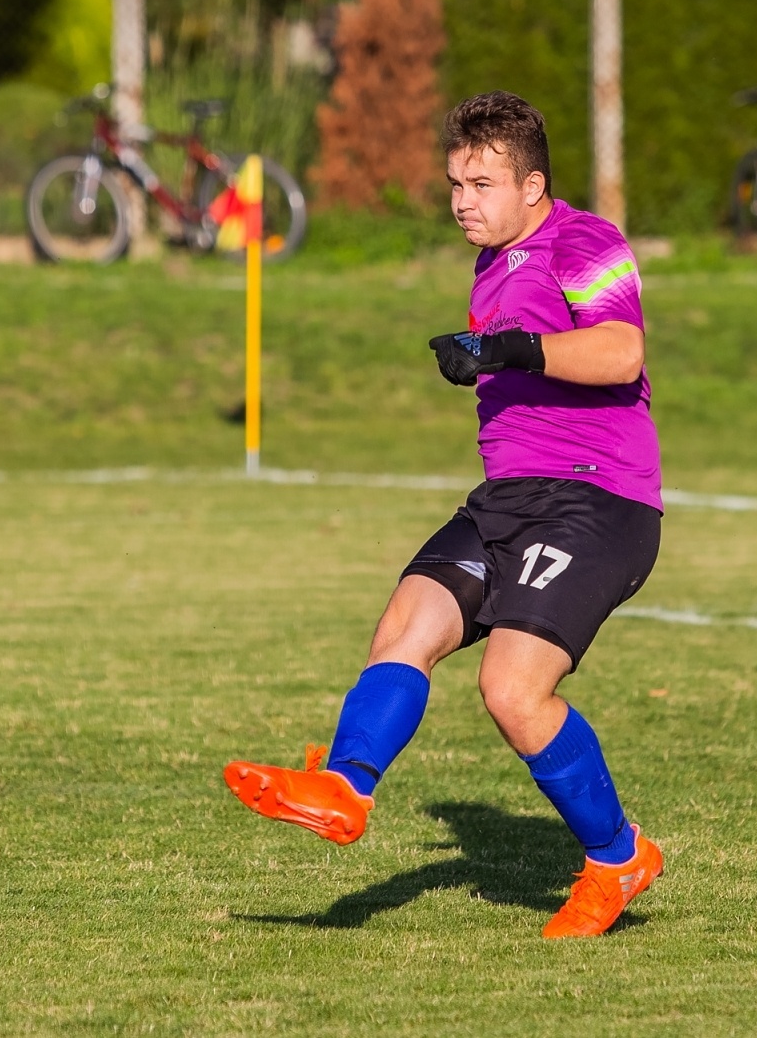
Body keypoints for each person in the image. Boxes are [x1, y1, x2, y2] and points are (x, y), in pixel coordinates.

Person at [223, 90, 664, 939]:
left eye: (482, 184)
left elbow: (622, 351)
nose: (463, 200)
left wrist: (509, 349)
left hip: (595, 500)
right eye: (456, 183)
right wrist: (487, 359)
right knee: (405, 623)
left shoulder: (583, 241)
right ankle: (345, 786)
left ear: (532, 185)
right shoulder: (491, 262)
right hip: (508, 499)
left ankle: (619, 857)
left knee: (511, 689)